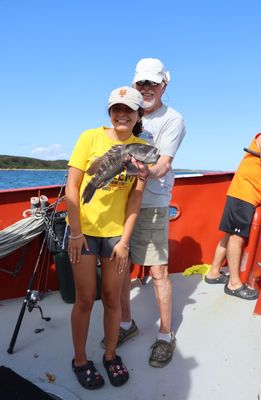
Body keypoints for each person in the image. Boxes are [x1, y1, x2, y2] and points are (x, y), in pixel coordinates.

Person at [102, 58, 186, 368]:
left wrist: (143, 173)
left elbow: (163, 163)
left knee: (158, 270)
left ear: (165, 84)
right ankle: (126, 323)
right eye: (141, 84)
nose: (147, 89)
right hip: (120, 204)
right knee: (121, 266)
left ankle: (165, 334)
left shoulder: (172, 119)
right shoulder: (127, 113)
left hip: (151, 203)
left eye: (152, 83)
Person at [63, 86, 148, 389]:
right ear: (110, 112)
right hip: (83, 233)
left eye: (129, 109)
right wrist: (74, 232)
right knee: (85, 299)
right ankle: (80, 360)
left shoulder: (142, 148)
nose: (122, 114)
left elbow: (135, 199)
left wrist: (125, 241)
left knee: (113, 299)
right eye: (116, 108)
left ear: (139, 114)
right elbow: (72, 186)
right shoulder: (89, 138)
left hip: (115, 235)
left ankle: (111, 356)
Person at [205, 130, 261, 300]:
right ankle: (233, 284)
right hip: (245, 193)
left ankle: (214, 273)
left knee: (230, 235)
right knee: (236, 237)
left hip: (242, 193)